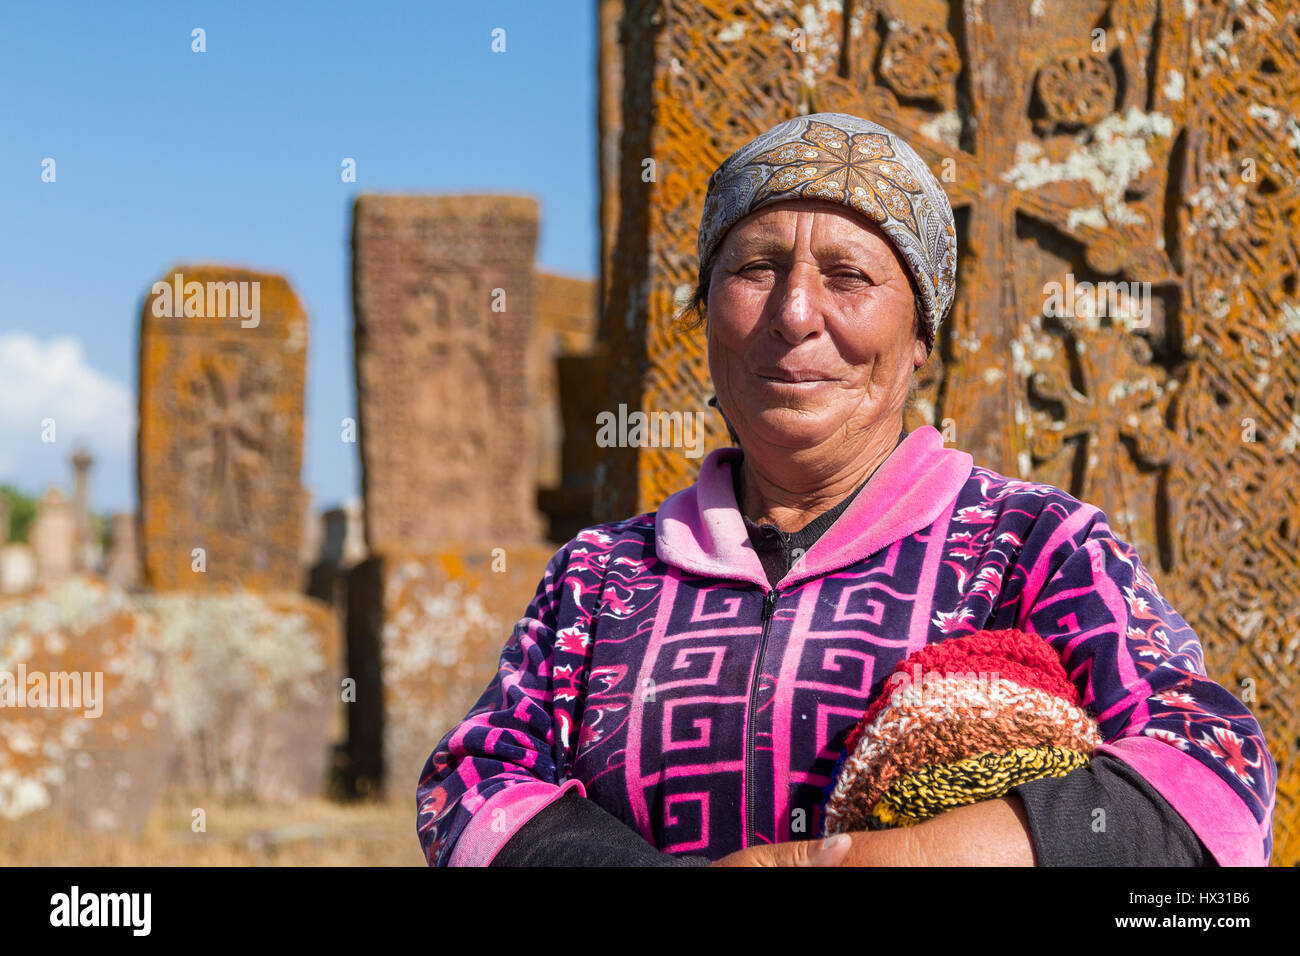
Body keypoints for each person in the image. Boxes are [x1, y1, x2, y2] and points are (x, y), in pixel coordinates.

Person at [417, 112, 1276, 867]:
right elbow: (474, 786)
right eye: (754, 268)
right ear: (706, 312)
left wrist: (906, 861)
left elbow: (1214, 778)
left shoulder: (1036, 548)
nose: (794, 313)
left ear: (918, 338)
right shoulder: (601, 577)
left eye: (849, 276)